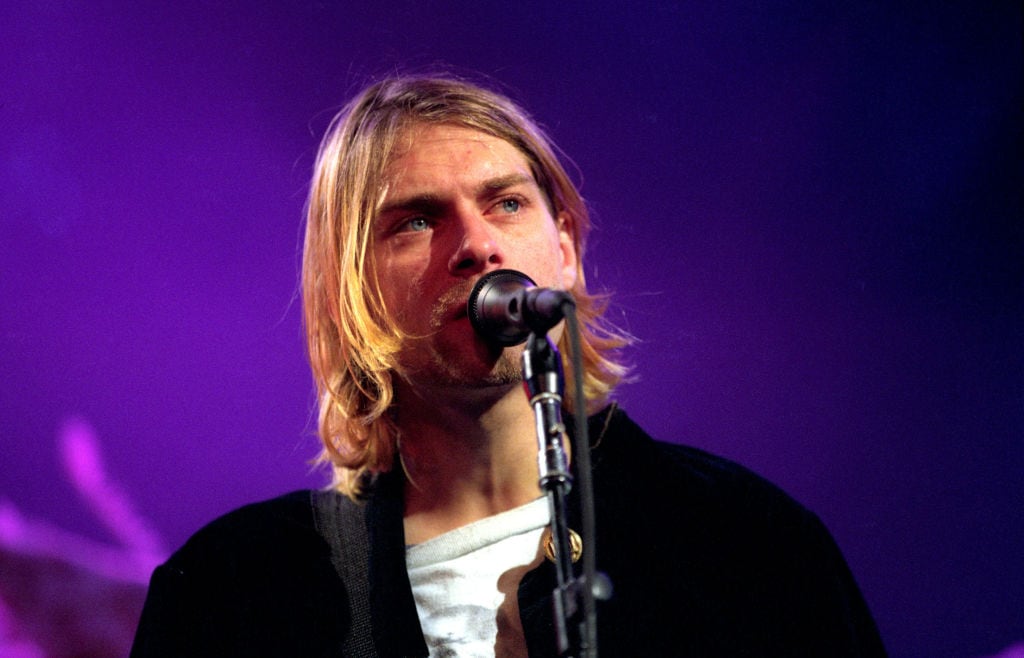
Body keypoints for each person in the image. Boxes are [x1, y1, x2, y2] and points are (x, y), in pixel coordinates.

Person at [131, 75, 886, 657]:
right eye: (418, 220)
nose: (477, 245)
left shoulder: (742, 541)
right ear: (346, 289)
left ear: (566, 247)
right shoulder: (236, 594)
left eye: (507, 204)